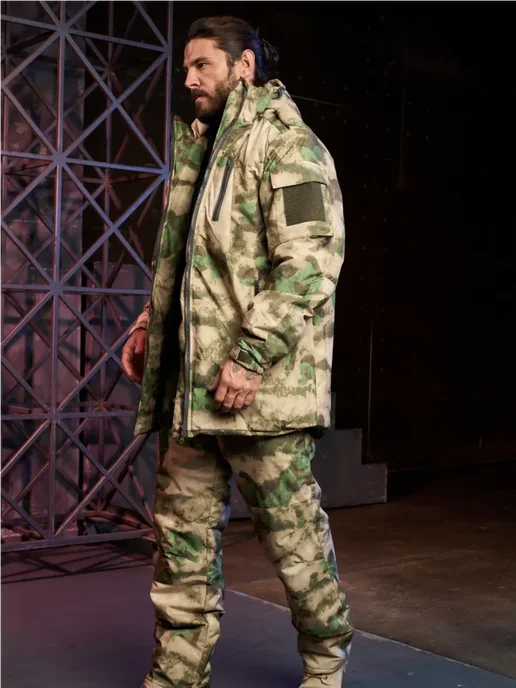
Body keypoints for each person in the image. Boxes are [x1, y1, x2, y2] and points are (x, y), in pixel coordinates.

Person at [122, 15, 353, 688]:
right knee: (181, 548)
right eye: (186, 68)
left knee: (295, 545)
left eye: (203, 66)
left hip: (262, 398)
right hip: (191, 395)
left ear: (244, 66)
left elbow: (309, 264)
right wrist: (149, 324)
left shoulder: (289, 146)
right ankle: (177, 676)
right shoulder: (202, 149)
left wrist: (251, 358)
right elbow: (186, 262)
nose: (189, 79)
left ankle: (326, 663)